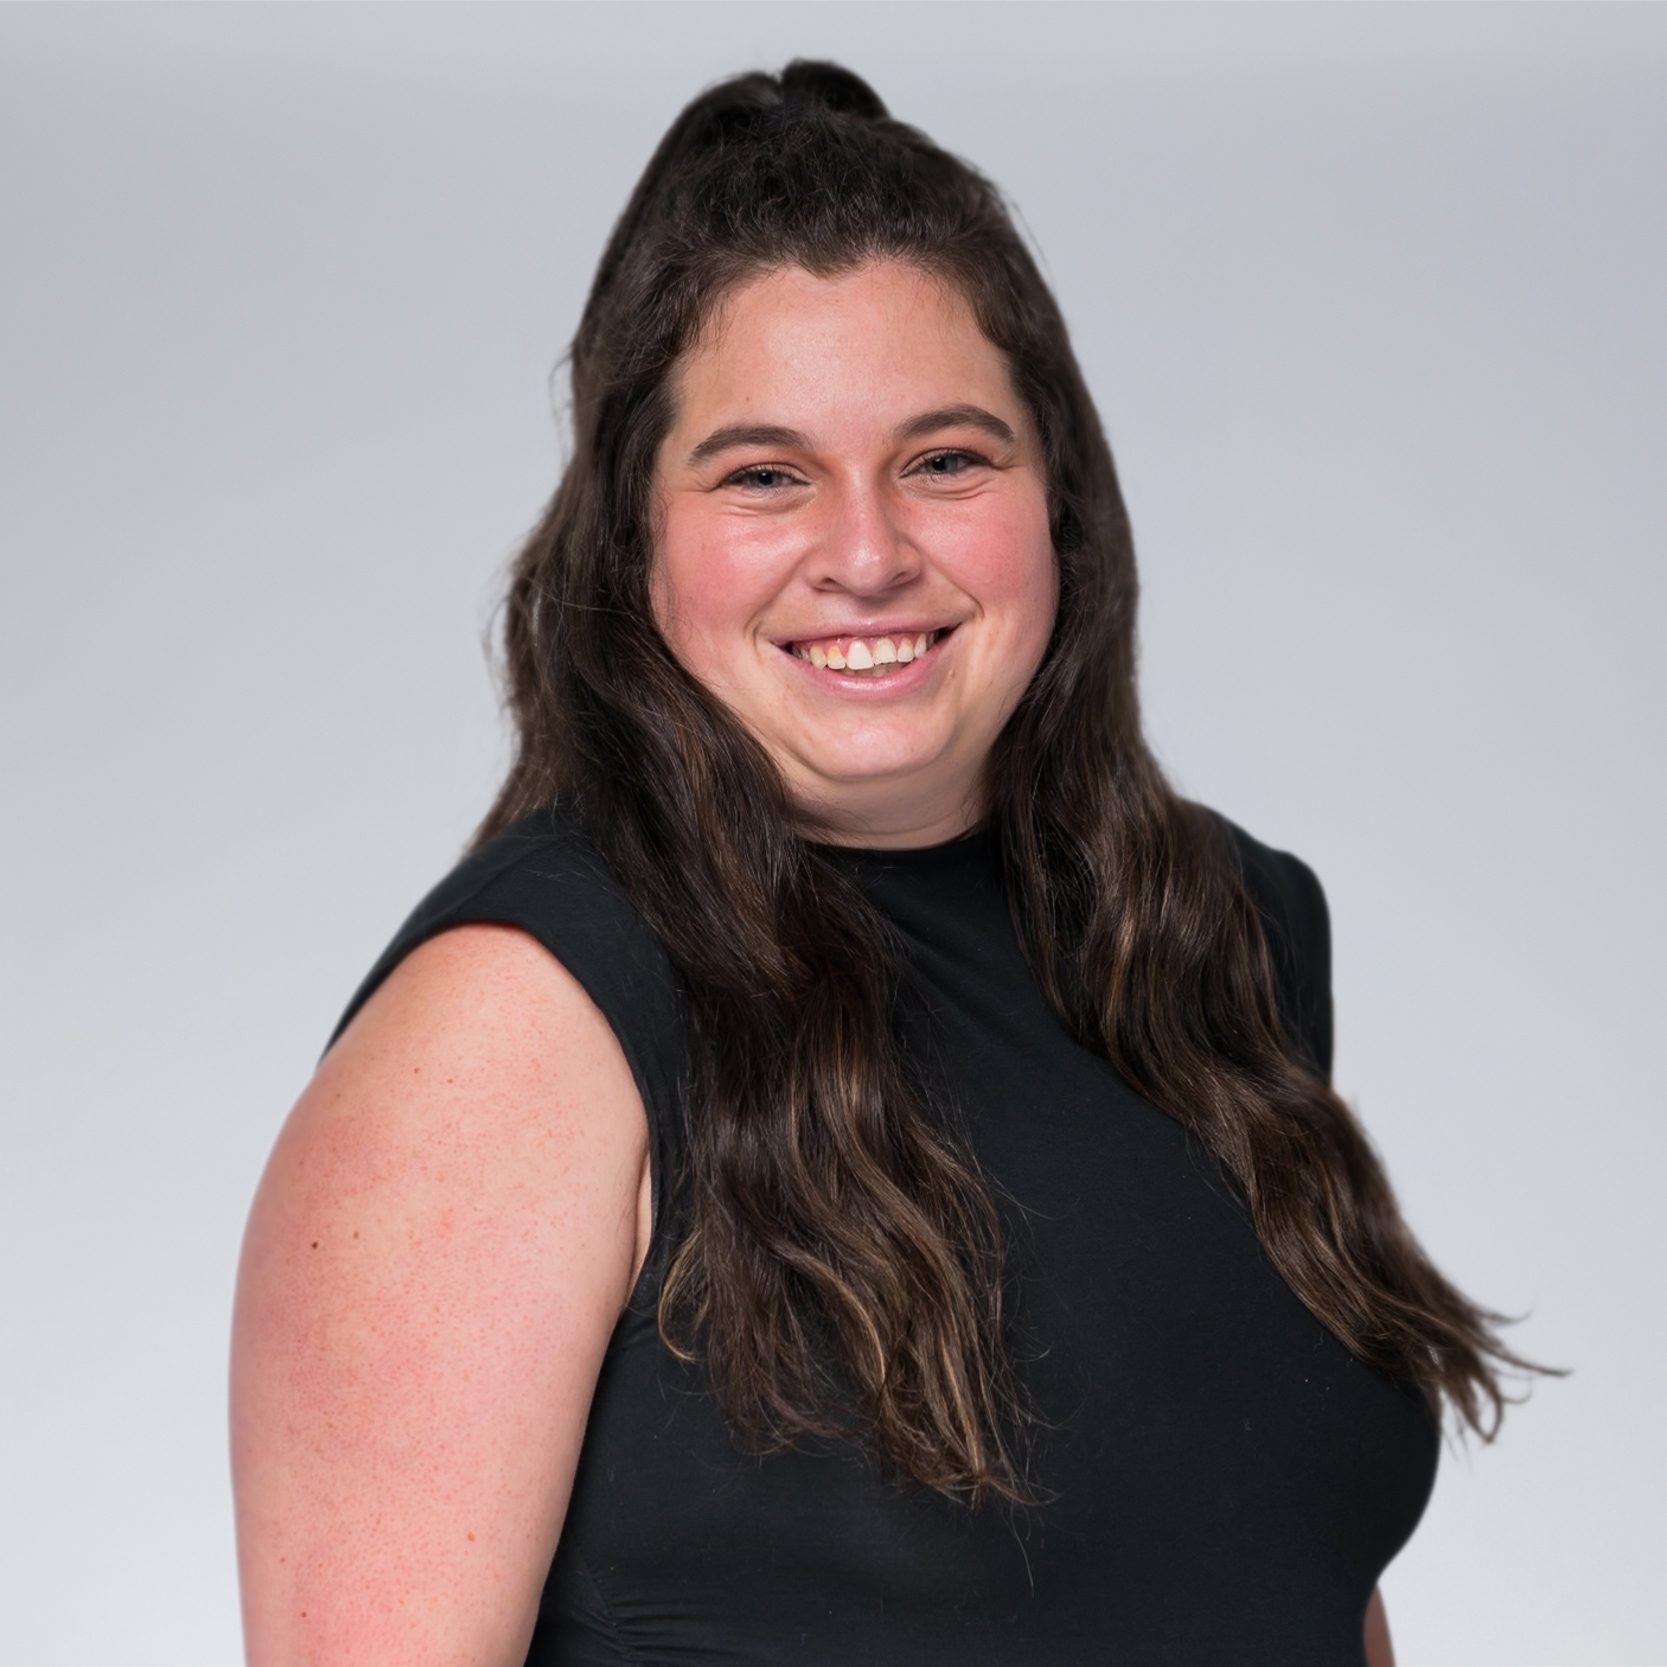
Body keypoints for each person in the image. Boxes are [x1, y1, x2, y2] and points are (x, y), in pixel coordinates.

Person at [229, 58, 1562, 1667]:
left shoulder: (1221, 940)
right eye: (764, 474)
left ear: (1057, 496)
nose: (866, 554)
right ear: (635, 541)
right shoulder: (517, 1032)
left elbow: (1291, 1589)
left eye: (946, 459)